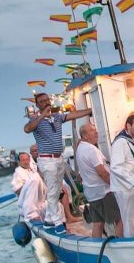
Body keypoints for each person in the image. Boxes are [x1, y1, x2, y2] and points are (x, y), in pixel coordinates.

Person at [23, 92, 92, 233]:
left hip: (59, 159)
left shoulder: (57, 117)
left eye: (47, 100)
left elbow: (74, 115)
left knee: (58, 191)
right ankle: (58, 222)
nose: (45, 103)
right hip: (47, 160)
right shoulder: (35, 119)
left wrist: (91, 110)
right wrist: (41, 115)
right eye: (42, 101)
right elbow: (27, 129)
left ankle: (48, 220)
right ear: (37, 105)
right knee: (53, 192)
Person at [75, 123, 122, 238]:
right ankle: (121, 244)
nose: (96, 132)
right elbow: (101, 172)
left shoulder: (80, 149)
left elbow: (81, 174)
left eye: (95, 130)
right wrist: (115, 185)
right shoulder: (91, 150)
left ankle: (96, 246)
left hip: (91, 194)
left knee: (98, 224)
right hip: (103, 193)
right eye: (92, 131)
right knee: (120, 219)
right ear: (84, 135)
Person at [110, 114, 134, 237]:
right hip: (123, 187)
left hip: (130, 187)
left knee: (133, 220)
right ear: (128, 126)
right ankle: (132, 245)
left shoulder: (132, 142)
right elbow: (115, 167)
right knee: (129, 221)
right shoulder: (120, 142)